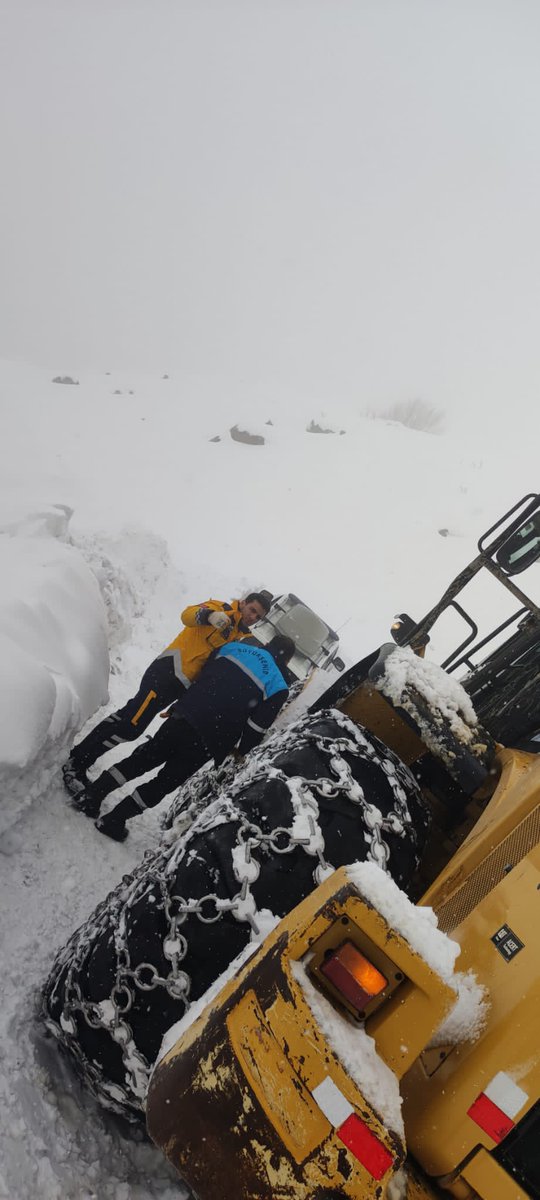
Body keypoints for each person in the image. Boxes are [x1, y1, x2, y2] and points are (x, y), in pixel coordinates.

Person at [76, 633, 296, 841]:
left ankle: (92, 795)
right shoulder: (278, 686)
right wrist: (242, 752)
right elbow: (256, 727)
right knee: (164, 782)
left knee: (142, 759)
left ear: (268, 644)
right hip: (210, 739)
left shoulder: (234, 647)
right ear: (286, 662)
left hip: (184, 715)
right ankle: (115, 819)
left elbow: (204, 674)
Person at [62, 591, 271, 796]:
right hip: (167, 671)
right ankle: (77, 762)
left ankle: (80, 758)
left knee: (129, 718)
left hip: (180, 686)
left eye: (258, 617)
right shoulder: (220, 608)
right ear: (243, 603)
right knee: (131, 724)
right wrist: (209, 616)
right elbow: (187, 615)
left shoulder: (238, 638)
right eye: (252, 610)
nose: (252, 617)